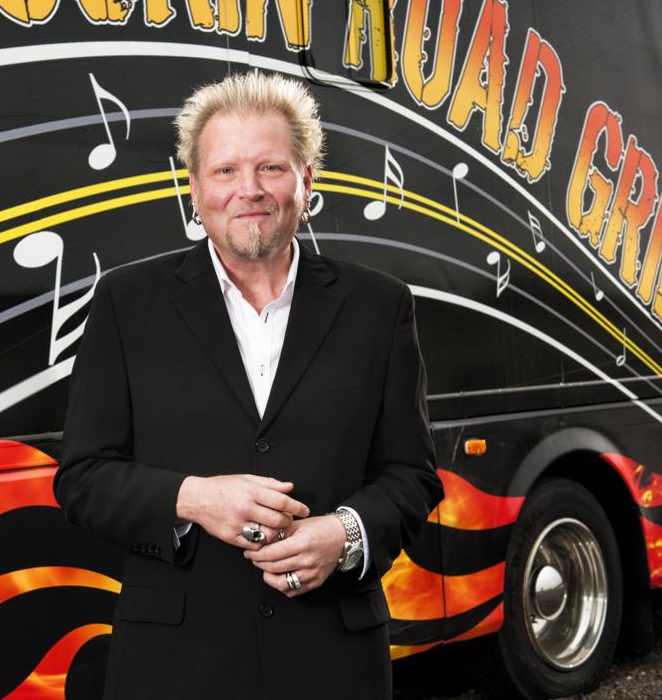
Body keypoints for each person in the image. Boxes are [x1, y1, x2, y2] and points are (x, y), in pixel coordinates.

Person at [53, 72, 442, 700]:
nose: (249, 191)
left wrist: (344, 535)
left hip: (334, 664)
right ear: (195, 189)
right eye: (226, 171)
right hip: (175, 667)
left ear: (306, 180)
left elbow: (412, 476)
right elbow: (82, 479)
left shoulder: (381, 305)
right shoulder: (128, 303)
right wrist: (195, 499)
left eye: (271, 168)